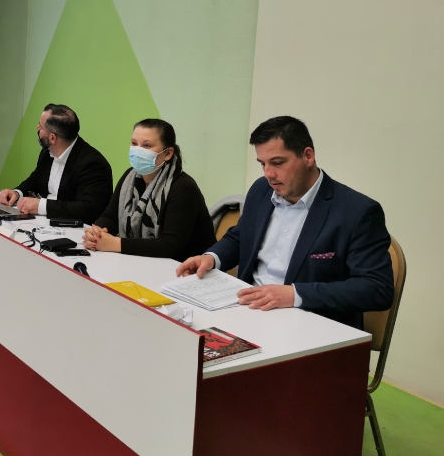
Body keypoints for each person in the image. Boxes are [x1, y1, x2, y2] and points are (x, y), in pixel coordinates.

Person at [176, 116, 394, 329]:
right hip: (246, 312)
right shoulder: (261, 190)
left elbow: (377, 289)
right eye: (263, 164)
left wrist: (294, 294)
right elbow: (241, 237)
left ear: (308, 156)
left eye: (278, 163)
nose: (268, 174)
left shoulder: (357, 212)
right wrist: (211, 258)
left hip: (308, 325)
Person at [82, 119, 214, 261]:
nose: (138, 151)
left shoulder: (183, 187)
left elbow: (169, 246)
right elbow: (111, 216)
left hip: (186, 267)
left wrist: (114, 244)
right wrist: (97, 233)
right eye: (134, 144)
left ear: (168, 153)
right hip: (143, 261)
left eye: (146, 145)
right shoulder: (129, 176)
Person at [0, 104, 112, 223]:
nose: (37, 127)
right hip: (44, 223)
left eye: (41, 127)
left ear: (53, 138)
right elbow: (35, 180)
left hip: (77, 229)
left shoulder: (93, 164)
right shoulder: (47, 152)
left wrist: (41, 206)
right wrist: (17, 193)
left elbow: (87, 208)